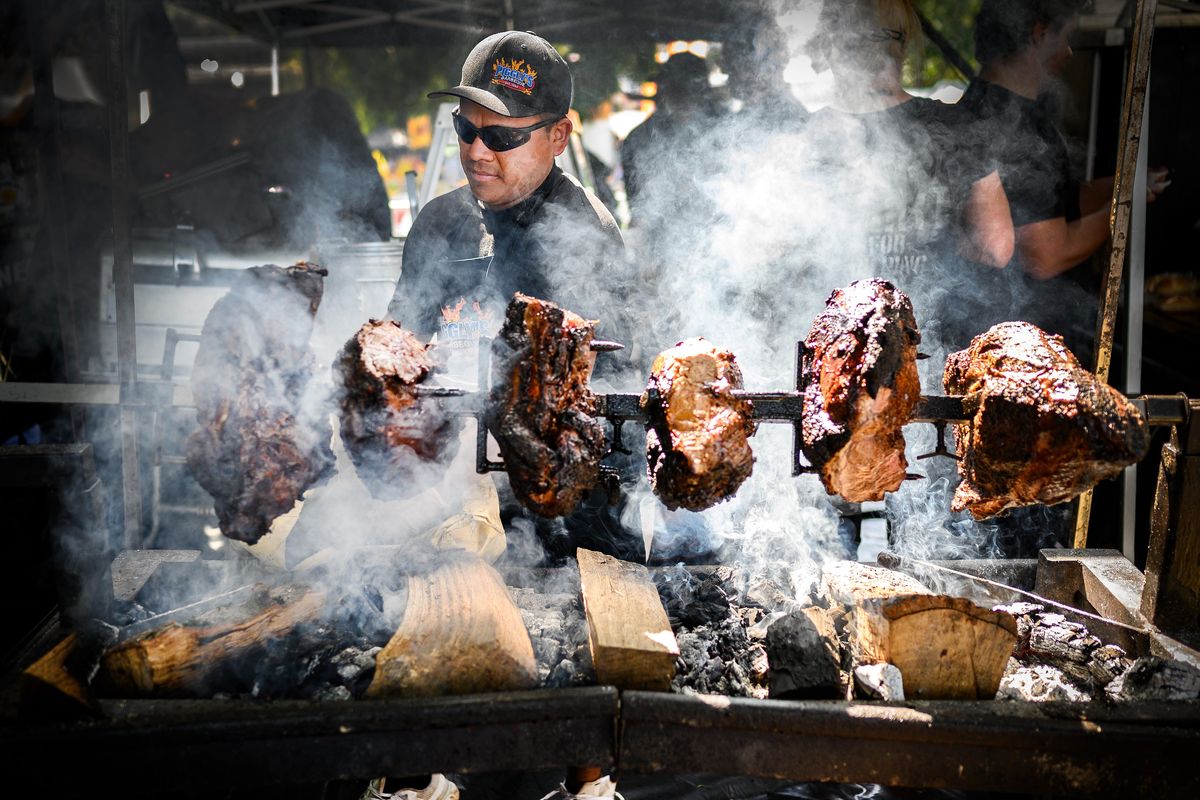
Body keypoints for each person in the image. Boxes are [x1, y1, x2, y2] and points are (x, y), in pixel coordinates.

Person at [957, 0, 1169, 356]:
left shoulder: (982, 105)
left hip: (1011, 336)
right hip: (1030, 345)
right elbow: (1046, 256)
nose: (1069, 51)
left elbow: (1059, 201)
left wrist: (1126, 181)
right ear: (1039, 34)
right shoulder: (1015, 127)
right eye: (1066, 37)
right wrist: (1124, 206)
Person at [798, 0, 1014, 350]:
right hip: (931, 345)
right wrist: (947, 245)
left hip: (835, 350)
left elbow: (783, 256)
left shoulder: (804, 137)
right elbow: (996, 247)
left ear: (833, 43)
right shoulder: (957, 127)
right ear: (902, 47)